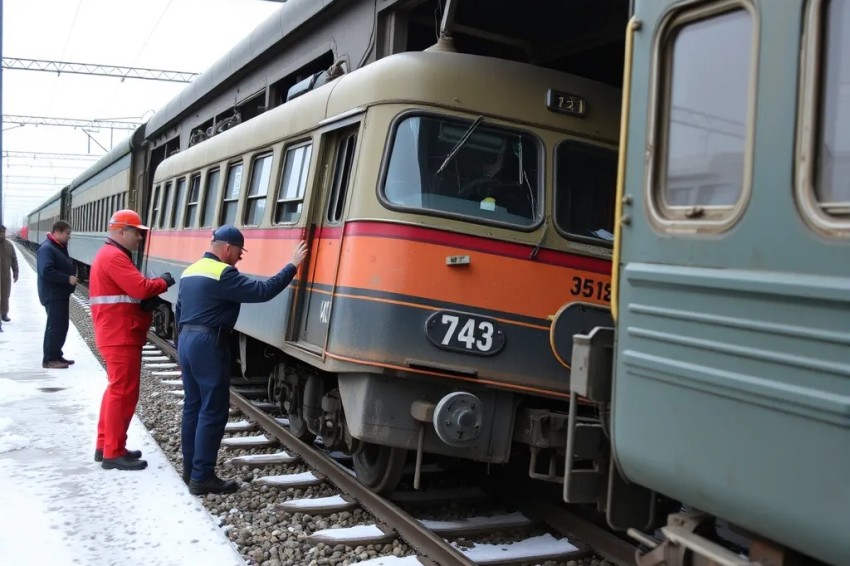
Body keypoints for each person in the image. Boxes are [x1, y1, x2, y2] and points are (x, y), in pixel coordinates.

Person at [177, 225, 308, 495]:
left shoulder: (190, 271)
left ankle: (190, 470)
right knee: (212, 410)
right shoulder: (223, 274)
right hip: (208, 342)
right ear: (227, 248)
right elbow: (264, 291)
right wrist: (292, 266)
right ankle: (202, 478)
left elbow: (179, 310)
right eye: (239, 251)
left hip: (187, 339)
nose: (240, 257)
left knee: (193, 406)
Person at [90, 209, 175, 471]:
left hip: (117, 332)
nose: (140, 238)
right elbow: (140, 288)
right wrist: (162, 282)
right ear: (122, 231)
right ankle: (113, 452)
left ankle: (106, 445)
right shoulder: (115, 257)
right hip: (120, 334)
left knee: (116, 390)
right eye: (138, 232)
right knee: (123, 392)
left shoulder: (110, 254)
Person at [36, 221, 77, 368]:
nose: (69, 237)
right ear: (57, 232)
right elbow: (46, 271)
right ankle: (49, 359)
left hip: (60, 294)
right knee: (54, 326)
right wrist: (67, 278)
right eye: (67, 233)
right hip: (53, 294)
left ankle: (57, 355)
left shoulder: (57, 247)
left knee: (61, 326)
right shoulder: (47, 249)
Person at [0, 225, 19, 329]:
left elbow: (14, 259)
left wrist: (16, 272)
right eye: (0, 232)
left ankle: (4, 314)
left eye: (3, 232)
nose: (2, 234)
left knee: (5, 295)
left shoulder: (9, 245)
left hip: (6, 275)